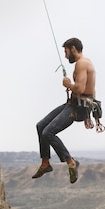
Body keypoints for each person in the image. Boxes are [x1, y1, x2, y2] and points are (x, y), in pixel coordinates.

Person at [32, 37, 97, 184]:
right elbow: (91, 89)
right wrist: (90, 115)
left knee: (48, 132)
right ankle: (45, 163)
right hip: (74, 104)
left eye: (66, 51)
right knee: (41, 126)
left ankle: (71, 162)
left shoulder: (81, 64)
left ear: (73, 48)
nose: (66, 55)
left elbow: (80, 89)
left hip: (78, 108)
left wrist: (68, 84)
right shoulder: (86, 63)